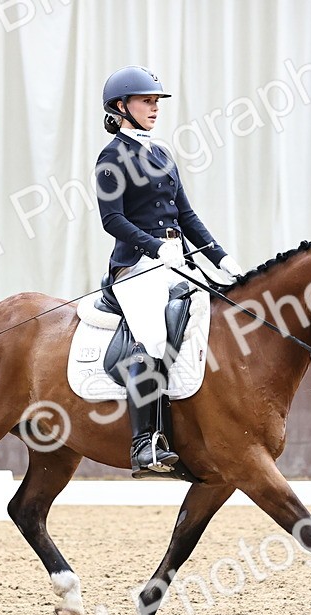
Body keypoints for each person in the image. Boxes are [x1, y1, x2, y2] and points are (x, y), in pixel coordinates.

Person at [96, 65, 244, 478]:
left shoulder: (162, 153)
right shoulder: (111, 157)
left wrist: (219, 257)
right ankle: (144, 444)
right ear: (121, 107)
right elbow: (112, 219)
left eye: (157, 102)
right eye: (146, 101)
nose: (155, 108)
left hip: (176, 262)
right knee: (153, 337)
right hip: (137, 267)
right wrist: (155, 247)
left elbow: (186, 215)